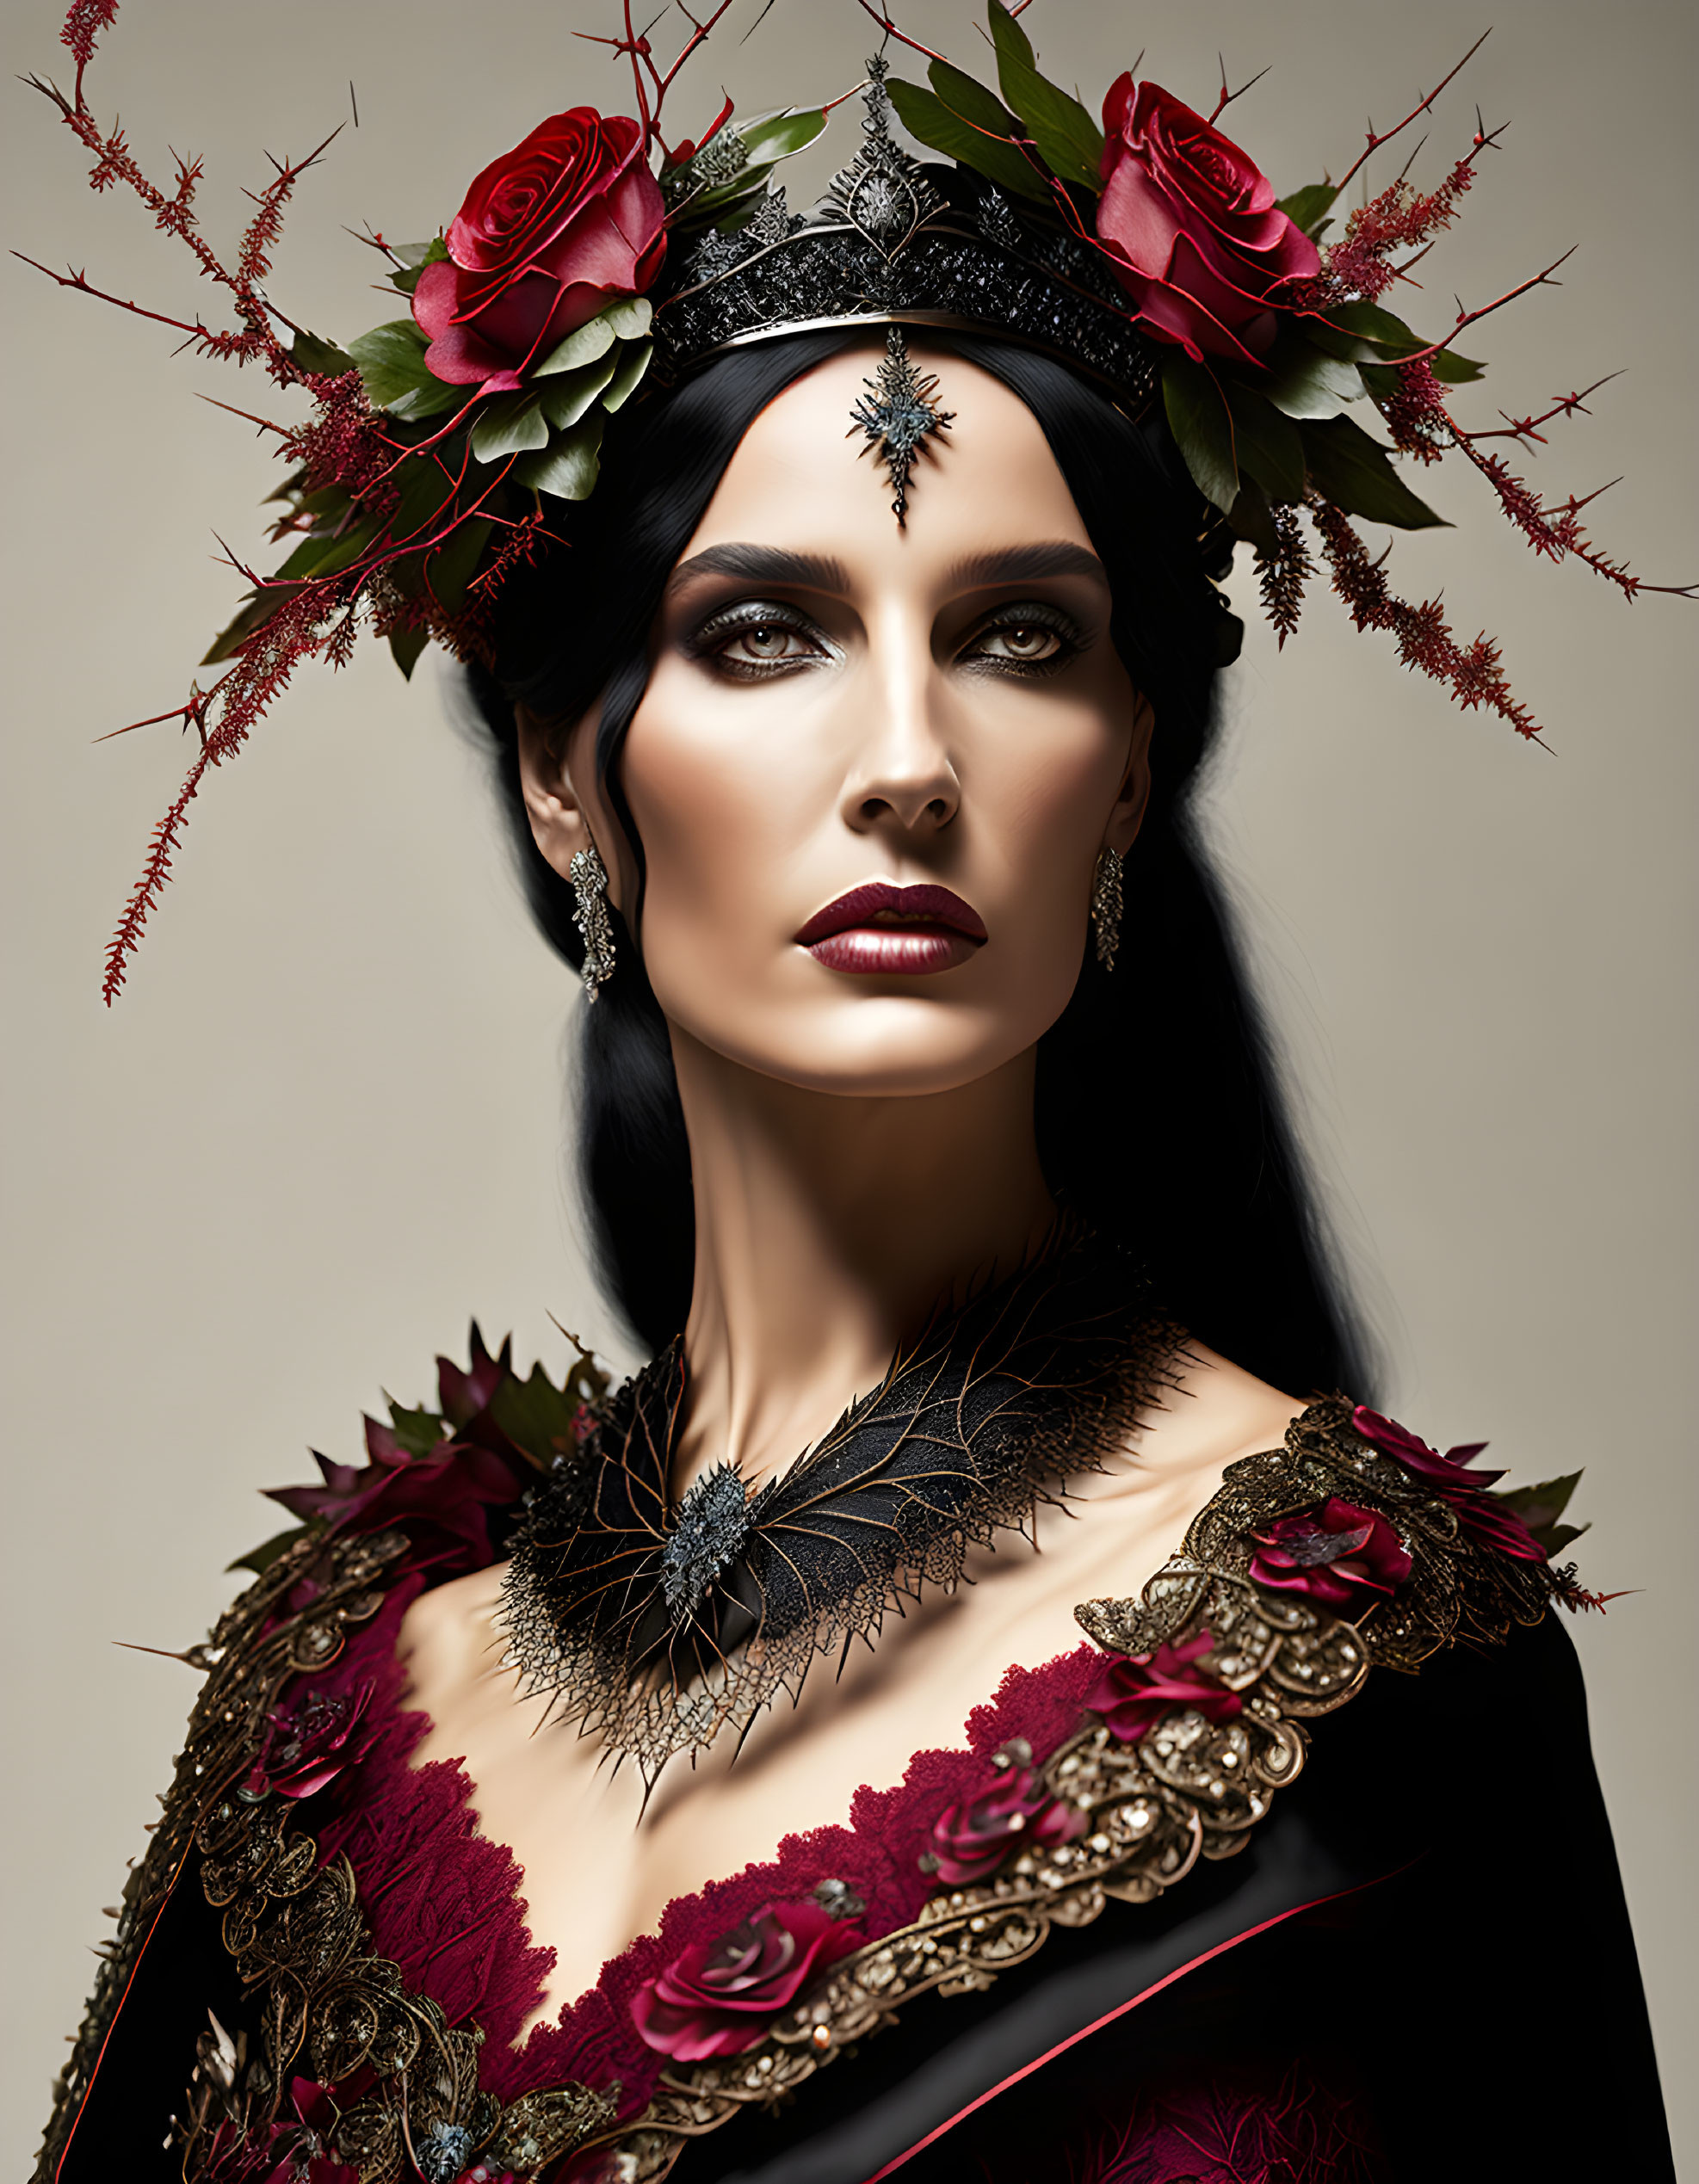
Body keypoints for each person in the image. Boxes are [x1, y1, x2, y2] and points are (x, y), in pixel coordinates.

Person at [32, 13, 1674, 2181]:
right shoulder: (337, 1706)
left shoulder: (1357, 1660)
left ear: (1132, 778)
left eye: (1016, 637)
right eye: (761, 633)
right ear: (560, 774)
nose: (908, 759)